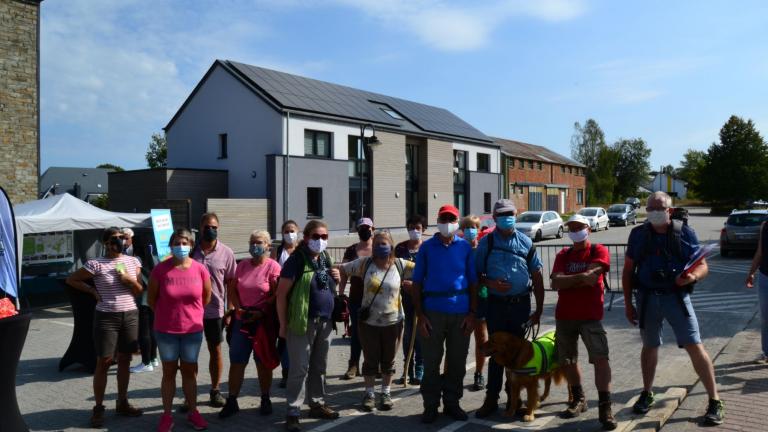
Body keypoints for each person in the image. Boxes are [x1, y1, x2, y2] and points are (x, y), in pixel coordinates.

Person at [622, 191, 724, 425]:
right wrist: (628, 304)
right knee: (649, 347)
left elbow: (703, 266)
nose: (654, 212)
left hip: (676, 298)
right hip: (647, 298)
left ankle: (714, 399)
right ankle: (647, 392)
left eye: (659, 208)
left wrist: (691, 278)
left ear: (669, 210)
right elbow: (628, 271)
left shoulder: (684, 232)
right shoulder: (638, 234)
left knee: (695, 346)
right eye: (650, 209)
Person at [66, 227, 144, 428]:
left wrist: (128, 280)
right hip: (106, 316)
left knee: (125, 359)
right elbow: (72, 279)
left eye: (121, 238)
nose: (118, 241)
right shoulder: (96, 264)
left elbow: (139, 290)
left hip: (130, 315)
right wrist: (92, 290)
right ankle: (99, 407)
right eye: (114, 239)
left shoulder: (133, 261)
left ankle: (122, 402)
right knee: (104, 361)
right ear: (106, 243)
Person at [474, 199, 544, 419]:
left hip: (520, 306)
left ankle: (514, 399)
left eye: (510, 213)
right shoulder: (487, 243)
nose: (507, 217)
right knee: (496, 353)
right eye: (502, 214)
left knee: (518, 354)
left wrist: (540, 310)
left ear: (517, 214)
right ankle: (491, 398)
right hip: (495, 305)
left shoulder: (525, 242)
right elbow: (476, 276)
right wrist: (491, 284)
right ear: (494, 218)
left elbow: (538, 277)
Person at [411, 204, 478, 424]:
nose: (447, 222)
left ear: (457, 222)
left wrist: (472, 314)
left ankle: (452, 403)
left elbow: (474, 283)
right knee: (431, 363)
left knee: (457, 362)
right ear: (438, 221)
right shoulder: (427, 248)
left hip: (461, 313)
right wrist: (420, 316)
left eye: (451, 218)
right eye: (444, 218)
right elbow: (417, 283)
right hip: (432, 313)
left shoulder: (465, 248)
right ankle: (430, 405)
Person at [550, 214, 616, 430]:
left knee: (600, 358)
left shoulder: (599, 250)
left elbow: (592, 276)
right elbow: (557, 282)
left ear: (588, 228)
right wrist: (580, 278)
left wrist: (569, 280)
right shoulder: (564, 253)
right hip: (565, 316)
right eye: (572, 227)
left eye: (579, 227)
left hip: (590, 316)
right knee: (567, 360)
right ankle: (579, 398)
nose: (575, 231)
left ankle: (605, 406)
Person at [277, 220, 341, 431]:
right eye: (315, 237)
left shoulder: (324, 258)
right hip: (302, 322)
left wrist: (337, 279)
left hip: (325, 321)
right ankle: (293, 411)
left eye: (324, 237)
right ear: (306, 238)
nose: (320, 241)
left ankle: (317, 404)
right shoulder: (296, 261)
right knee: (299, 368)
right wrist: (283, 324)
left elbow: (326, 287)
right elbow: (281, 295)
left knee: (319, 367)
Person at [339, 232, 415, 412]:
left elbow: (425, 271)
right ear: (373, 246)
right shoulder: (364, 263)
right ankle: (369, 394)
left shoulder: (400, 264)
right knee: (370, 360)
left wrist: (414, 285)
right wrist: (340, 293)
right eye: (378, 243)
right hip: (369, 323)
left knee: (388, 360)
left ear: (391, 246)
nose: (381, 246)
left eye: (384, 243)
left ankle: (385, 393)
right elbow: (342, 269)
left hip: (394, 322)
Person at [148, 228, 213, 432]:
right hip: (166, 331)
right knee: (168, 373)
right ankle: (167, 416)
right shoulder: (160, 270)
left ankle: (193, 412)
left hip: (192, 331)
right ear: (171, 245)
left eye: (185, 242)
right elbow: (151, 300)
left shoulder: (200, 269)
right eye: (177, 242)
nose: (181, 246)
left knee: (189, 373)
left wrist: (190, 314)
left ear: (191, 245)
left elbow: (206, 297)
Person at [220, 230, 282, 419]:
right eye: (253, 242)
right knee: (237, 361)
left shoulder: (273, 266)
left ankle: (265, 398)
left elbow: (276, 294)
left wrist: (261, 311)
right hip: (242, 319)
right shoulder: (242, 266)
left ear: (268, 246)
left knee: (262, 362)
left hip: (263, 321)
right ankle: (232, 400)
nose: (256, 246)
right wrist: (237, 309)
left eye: (260, 242)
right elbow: (232, 290)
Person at [190, 213, 236, 408]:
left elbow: (231, 282)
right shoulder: (190, 252)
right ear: (200, 228)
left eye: (215, 227)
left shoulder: (226, 252)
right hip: (189, 312)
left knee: (215, 350)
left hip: (215, 312)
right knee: (189, 354)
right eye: (208, 226)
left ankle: (215, 390)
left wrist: (231, 308)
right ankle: (189, 393)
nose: (211, 230)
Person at [338, 217, 375, 380]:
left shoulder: (380, 248)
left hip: (377, 299)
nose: (364, 230)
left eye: (367, 227)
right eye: (361, 228)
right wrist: (340, 293)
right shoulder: (351, 250)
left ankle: (375, 364)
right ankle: (353, 365)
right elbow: (344, 272)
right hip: (356, 298)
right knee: (358, 333)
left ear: (373, 229)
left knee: (376, 331)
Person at [394, 214, 427, 385]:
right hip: (404, 298)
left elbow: (431, 272)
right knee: (407, 334)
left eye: (418, 228)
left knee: (421, 333)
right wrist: (402, 283)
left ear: (423, 230)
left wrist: (415, 284)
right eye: (411, 227)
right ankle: (408, 367)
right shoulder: (400, 248)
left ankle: (420, 367)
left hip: (422, 298)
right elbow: (392, 270)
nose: (414, 231)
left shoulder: (427, 248)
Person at [123, 228, 160, 374]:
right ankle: (153, 358)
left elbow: (131, 279)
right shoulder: (153, 258)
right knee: (152, 330)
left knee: (144, 332)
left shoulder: (135, 260)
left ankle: (146, 362)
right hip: (154, 299)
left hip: (142, 300)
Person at [460, 214, 488, 392]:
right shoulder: (459, 249)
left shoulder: (483, 249)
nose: (471, 230)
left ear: (479, 230)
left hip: (481, 298)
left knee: (481, 339)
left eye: (474, 227)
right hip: (462, 300)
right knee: (459, 340)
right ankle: (451, 373)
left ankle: (479, 373)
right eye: (467, 227)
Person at [271, 220, 301, 388]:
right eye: (287, 231)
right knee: (283, 337)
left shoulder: (303, 251)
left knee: (299, 338)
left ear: (298, 232)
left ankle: (301, 370)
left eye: (292, 230)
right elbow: (272, 274)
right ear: (282, 233)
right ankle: (286, 371)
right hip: (282, 300)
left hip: (300, 301)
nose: (290, 234)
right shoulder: (278, 251)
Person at [746, 218, 768, 364]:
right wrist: (751, 272)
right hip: (765, 277)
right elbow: (760, 251)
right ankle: (766, 352)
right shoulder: (765, 225)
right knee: (765, 318)